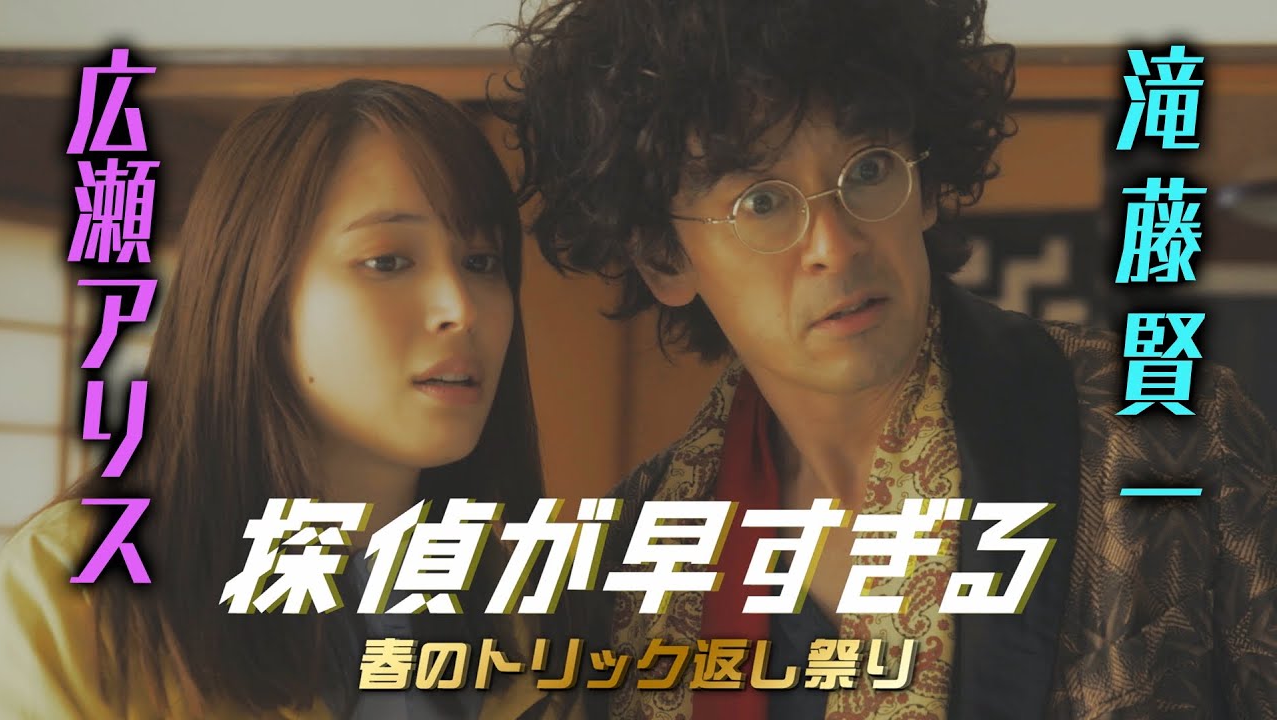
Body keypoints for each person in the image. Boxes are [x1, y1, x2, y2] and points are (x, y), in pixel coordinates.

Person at [504, 0, 1277, 717]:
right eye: (762, 202)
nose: (836, 246)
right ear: (663, 257)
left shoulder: (1166, 433)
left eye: (869, 169)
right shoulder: (632, 553)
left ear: (927, 184)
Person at [0, 79, 581, 719]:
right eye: (388, 261)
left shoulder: (525, 604)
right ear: (258, 294)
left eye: (482, 262)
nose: (460, 308)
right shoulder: (78, 583)